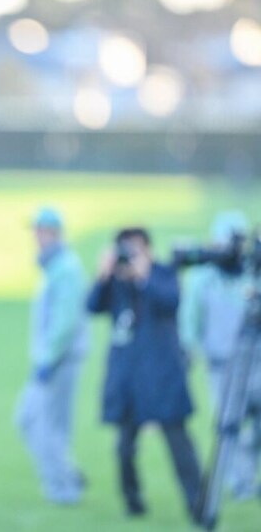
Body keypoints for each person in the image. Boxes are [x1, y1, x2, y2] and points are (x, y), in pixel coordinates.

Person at [87, 227, 201, 519]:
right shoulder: (116, 281)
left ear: (149, 250)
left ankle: (197, 504)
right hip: (128, 379)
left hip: (162, 376)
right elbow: (92, 306)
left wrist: (144, 277)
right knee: (124, 448)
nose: (130, 256)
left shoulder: (163, 273)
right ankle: (133, 502)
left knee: (180, 446)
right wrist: (103, 274)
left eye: (135, 249)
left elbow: (171, 301)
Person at [178, 210, 260, 500]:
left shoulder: (253, 273)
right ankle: (240, 482)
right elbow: (191, 318)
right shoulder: (203, 278)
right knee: (228, 424)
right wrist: (189, 349)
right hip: (220, 364)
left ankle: (248, 463)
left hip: (256, 361)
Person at [15, 206, 89, 505]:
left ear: (54, 233)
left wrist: (47, 361)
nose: (36, 237)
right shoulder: (55, 266)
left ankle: (63, 488)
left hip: (59, 361)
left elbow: (65, 321)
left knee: (48, 426)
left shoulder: (66, 268)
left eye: (41, 231)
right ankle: (67, 476)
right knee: (30, 419)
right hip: (51, 361)